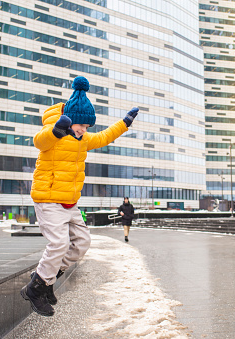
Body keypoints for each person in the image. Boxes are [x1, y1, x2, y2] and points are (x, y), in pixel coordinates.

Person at [20, 76, 139, 317]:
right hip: (48, 197)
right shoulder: (52, 132)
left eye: (86, 128)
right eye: (81, 127)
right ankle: (35, 288)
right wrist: (55, 131)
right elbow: (38, 141)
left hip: (69, 201)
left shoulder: (82, 139)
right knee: (59, 244)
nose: (84, 131)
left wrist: (124, 123)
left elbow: (104, 137)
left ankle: (47, 279)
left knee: (82, 243)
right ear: (70, 120)